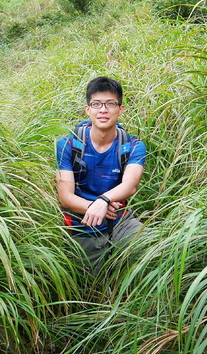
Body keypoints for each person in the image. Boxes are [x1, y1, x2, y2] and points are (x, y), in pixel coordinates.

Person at [55, 76, 146, 273]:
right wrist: (96, 208)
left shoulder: (133, 146)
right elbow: (64, 196)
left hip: (120, 220)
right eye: (96, 104)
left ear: (120, 109)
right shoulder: (68, 145)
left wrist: (103, 201)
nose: (103, 110)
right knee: (88, 283)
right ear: (87, 109)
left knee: (150, 249)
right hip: (82, 225)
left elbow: (130, 185)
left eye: (110, 104)